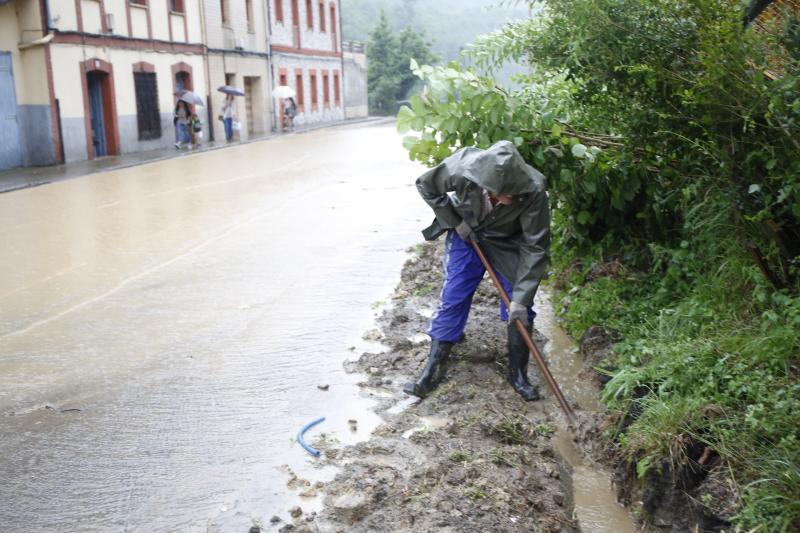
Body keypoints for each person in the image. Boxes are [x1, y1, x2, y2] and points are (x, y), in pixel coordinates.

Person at [403, 140, 551, 401]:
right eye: (500, 195)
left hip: (508, 242)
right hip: (467, 234)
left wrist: (521, 298)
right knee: (454, 295)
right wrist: (455, 220)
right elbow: (425, 185)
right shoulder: (462, 169)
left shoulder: (534, 189)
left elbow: (535, 246)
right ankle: (433, 369)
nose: (507, 199)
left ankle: (518, 375)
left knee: (520, 304)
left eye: (510, 195)